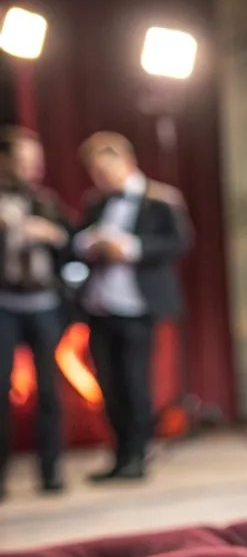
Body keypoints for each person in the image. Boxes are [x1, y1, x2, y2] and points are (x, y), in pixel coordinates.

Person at [73, 133, 190, 482]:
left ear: (126, 162)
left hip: (138, 304)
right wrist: (89, 244)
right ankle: (120, 454)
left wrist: (130, 248)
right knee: (108, 385)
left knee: (134, 381)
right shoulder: (96, 203)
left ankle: (138, 455)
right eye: (96, 172)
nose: (102, 178)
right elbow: (76, 239)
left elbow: (179, 242)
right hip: (99, 304)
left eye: (106, 170)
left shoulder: (160, 198)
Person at [0, 128, 71, 498]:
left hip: (44, 305)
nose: (33, 167)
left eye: (36, 160)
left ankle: (51, 471)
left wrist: (54, 235)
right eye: (25, 159)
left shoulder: (46, 201)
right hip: (4, 305)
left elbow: (72, 245)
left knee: (49, 391)